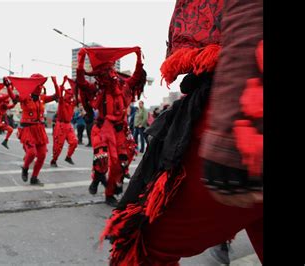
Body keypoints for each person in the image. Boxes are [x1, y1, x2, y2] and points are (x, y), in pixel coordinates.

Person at [101, 0, 263, 264]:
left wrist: (238, 119)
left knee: (139, 251)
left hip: (241, 98)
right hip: (236, 95)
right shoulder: (107, 93)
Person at [76, 46, 146, 206]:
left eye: (111, 70)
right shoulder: (97, 89)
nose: (110, 74)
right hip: (101, 129)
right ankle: (97, 179)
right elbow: (81, 81)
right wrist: (80, 60)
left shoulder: (124, 87)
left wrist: (138, 58)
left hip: (120, 130)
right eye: (106, 72)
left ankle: (110, 194)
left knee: (120, 164)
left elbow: (136, 77)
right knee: (102, 159)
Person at [5, 74, 57, 185]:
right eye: (37, 84)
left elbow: (56, 95)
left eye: (41, 84)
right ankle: (25, 168)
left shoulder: (42, 98)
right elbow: (14, 98)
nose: (40, 87)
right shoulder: (25, 96)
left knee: (42, 155)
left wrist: (55, 82)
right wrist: (8, 87)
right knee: (32, 153)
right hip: (27, 129)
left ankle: (34, 177)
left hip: (39, 129)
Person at [50, 76, 78, 167]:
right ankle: (54, 160)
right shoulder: (62, 101)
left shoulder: (72, 103)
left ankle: (68, 157)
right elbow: (60, 93)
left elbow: (78, 97)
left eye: (71, 94)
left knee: (74, 142)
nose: (70, 95)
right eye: (69, 94)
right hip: (60, 125)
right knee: (58, 146)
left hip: (68, 125)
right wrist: (60, 83)